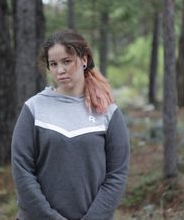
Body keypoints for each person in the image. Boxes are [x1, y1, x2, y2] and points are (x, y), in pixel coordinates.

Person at [11, 29, 130, 220]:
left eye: (67, 61)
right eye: (53, 64)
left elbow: (117, 175)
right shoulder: (34, 109)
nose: (60, 70)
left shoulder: (108, 112)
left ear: (84, 60)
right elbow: (22, 172)